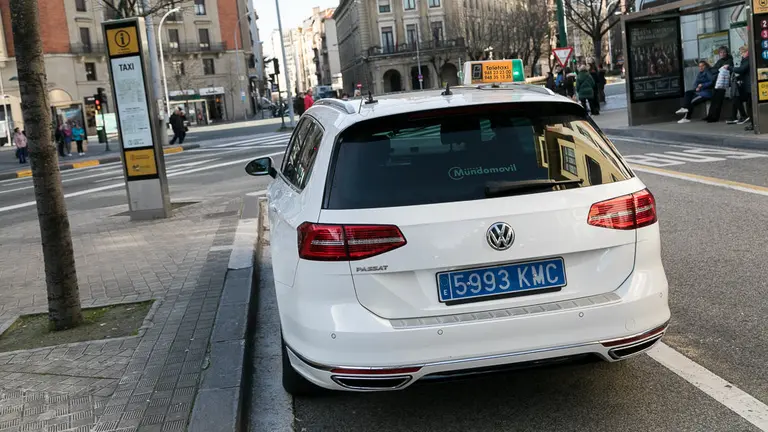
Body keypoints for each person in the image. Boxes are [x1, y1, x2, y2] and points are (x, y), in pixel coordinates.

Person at [728, 46, 752, 129]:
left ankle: (747, 118)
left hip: (748, 86)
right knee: (736, 97)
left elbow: (742, 69)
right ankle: (741, 116)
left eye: (742, 53)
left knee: (749, 104)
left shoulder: (748, 59)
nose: (741, 55)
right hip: (745, 85)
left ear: (746, 52)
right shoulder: (745, 59)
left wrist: (730, 68)